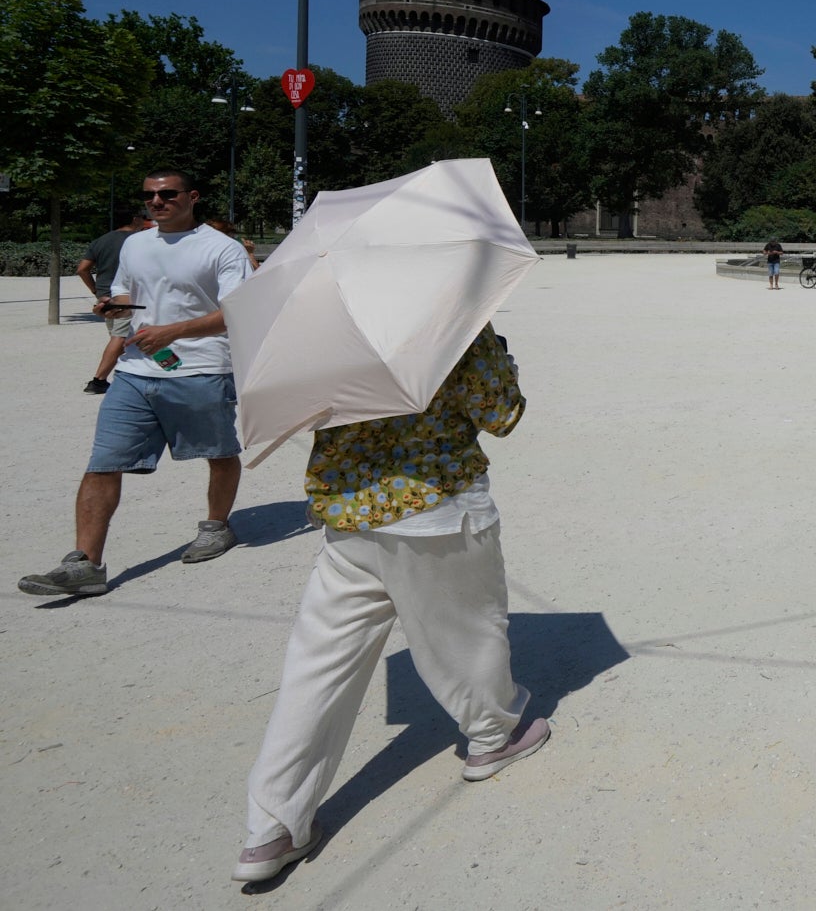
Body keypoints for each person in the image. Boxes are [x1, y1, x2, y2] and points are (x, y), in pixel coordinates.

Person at [233, 322, 547, 882]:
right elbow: (503, 414)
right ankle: (493, 735)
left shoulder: (317, 325)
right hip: (433, 507)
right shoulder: (448, 316)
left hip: (347, 512)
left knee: (318, 667)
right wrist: (498, 352)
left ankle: (272, 826)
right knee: (467, 637)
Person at [19, 171, 252, 598]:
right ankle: (86, 563)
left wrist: (174, 331)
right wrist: (113, 307)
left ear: (192, 197)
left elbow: (236, 312)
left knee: (219, 453)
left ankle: (216, 526)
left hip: (201, 369)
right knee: (103, 462)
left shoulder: (222, 248)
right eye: (150, 196)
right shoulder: (135, 243)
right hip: (135, 370)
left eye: (168, 194)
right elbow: (127, 292)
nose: (157, 201)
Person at [77, 208, 154, 395]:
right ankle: (98, 381)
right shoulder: (140, 241)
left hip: (104, 296)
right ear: (135, 218)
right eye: (143, 218)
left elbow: (82, 269)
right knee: (121, 338)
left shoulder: (101, 240)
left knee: (131, 336)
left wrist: (95, 290)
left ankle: (166, 367)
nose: (145, 221)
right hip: (128, 297)